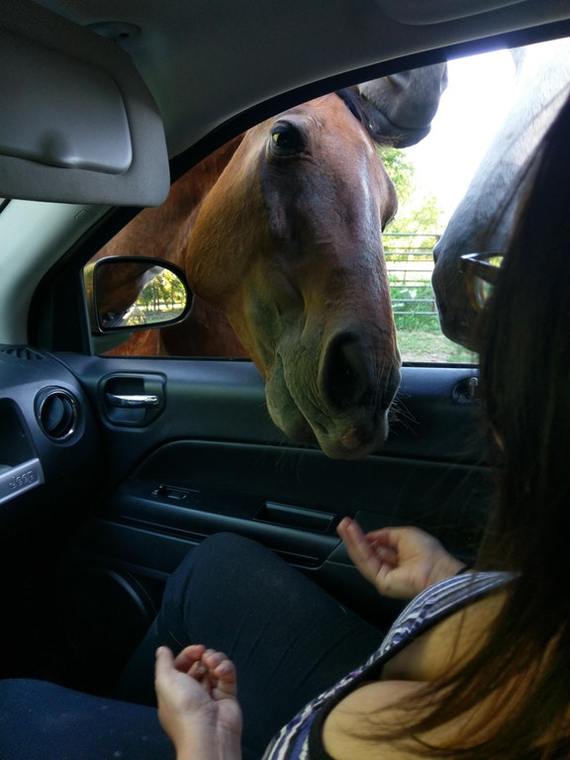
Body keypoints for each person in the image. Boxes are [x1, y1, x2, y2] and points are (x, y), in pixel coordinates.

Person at [1, 85, 569, 760]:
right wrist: (446, 580)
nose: (492, 382)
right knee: (215, 565)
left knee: (14, 708)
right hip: (486, 663)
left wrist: (203, 748)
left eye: (505, 303)